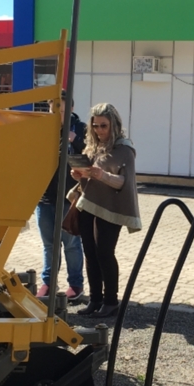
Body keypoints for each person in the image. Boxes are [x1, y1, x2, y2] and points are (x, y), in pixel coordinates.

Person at [70, 102, 141, 319]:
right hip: (88, 205)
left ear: (114, 125)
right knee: (90, 254)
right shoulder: (93, 147)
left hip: (111, 209)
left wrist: (102, 176)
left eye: (104, 126)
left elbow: (124, 182)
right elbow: (90, 176)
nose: (99, 130)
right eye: (96, 126)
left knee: (104, 253)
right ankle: (95, 300)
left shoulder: (124, 149)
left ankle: (111, 302)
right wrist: (79, 176)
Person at [35, 98, 87, 303]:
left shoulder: (82, 129)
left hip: (69, 196)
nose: (59, 114)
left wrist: (75, 139)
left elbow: (89, 156)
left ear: (72, 108)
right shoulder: (45, 128)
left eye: (63, 110)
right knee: (49, 244)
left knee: (72, 243)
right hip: (45, 196)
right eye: (54, 110)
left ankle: (76, 285)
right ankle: (48, 282)